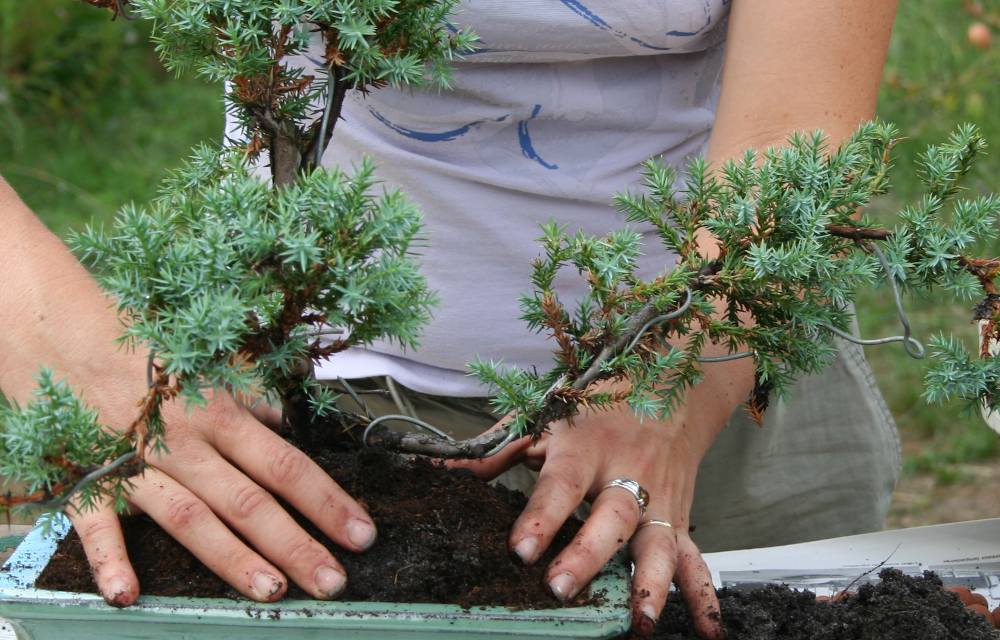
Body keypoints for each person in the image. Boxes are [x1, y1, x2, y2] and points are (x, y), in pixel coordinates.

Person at [0, 1, 899, 637]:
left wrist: (683, 369)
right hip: (288, 404)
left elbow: (798, 138)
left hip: (721, 370)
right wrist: (87, 360)